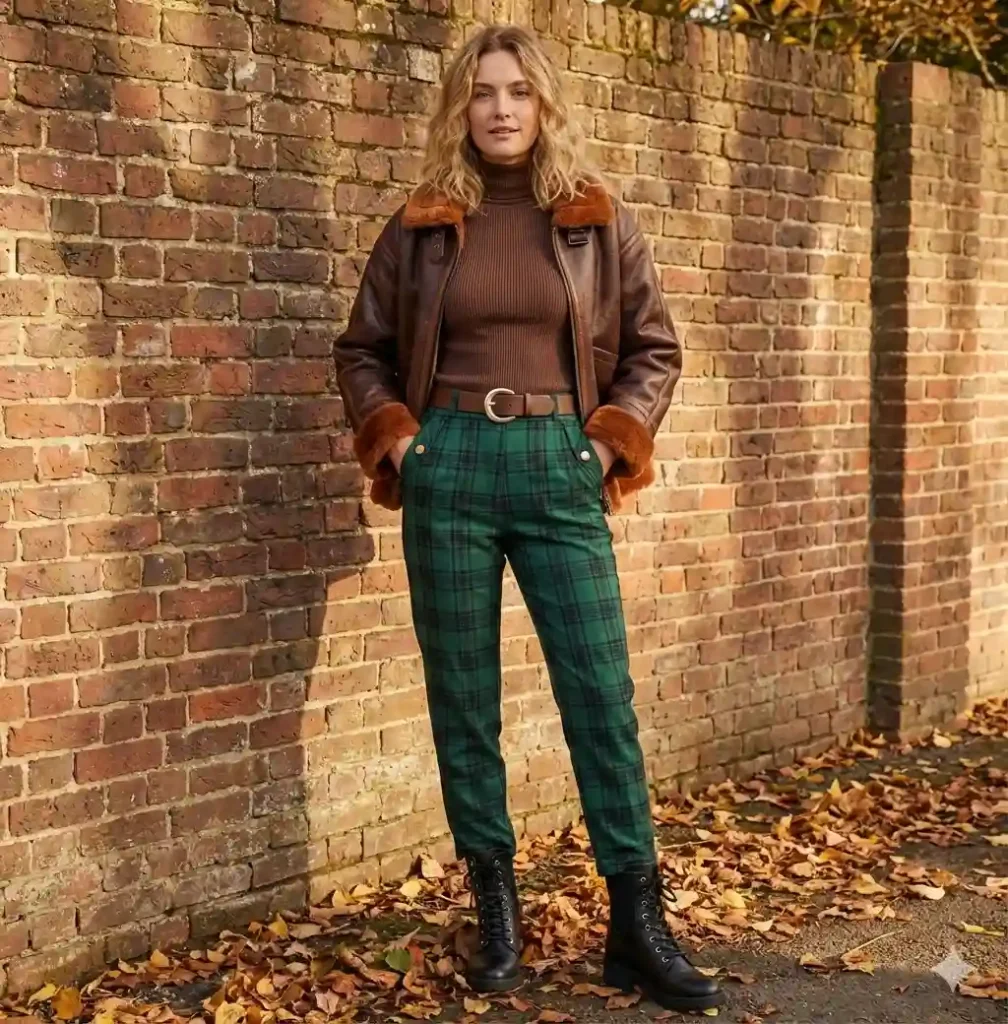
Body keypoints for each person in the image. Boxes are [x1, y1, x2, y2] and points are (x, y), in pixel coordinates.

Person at [334, 23, 723, 1014]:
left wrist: (604, 444)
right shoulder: (420, 224)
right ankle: (494, 903)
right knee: (464, 698)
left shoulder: (596, 220)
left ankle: (637, 920)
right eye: (482, 92)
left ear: (544, 105)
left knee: (601, 692)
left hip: (560, 466)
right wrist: (401, 443)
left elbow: (654, 348)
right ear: (459, 108)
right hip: (449, 466)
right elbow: (362, 348)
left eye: (518, 92)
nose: (501, 109)